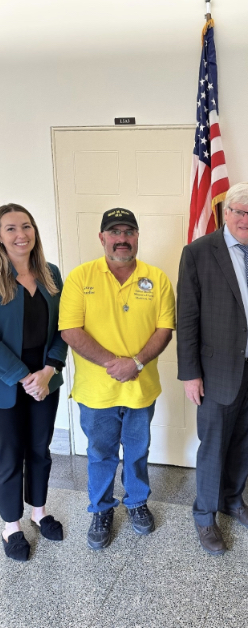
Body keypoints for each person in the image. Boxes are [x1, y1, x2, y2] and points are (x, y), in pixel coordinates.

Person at [177, 182, 248, 556]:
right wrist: (190, 373)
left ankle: (232, 500)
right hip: (217, 371)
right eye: (238, 211)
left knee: (244, 440)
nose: (245, 218)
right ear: (226, 213)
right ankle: (205, 516)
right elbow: (187, 318)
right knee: (214, 446)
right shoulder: (199, 252)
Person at [59, 208, 175, 550]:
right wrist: (116, 364)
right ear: (102, 238)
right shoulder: (81, 277)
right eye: (114, 232)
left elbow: (165, 329)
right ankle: (101, 509)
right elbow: (70, 330)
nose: (122, 238)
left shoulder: (157, 278)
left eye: (129, 232)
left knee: (138, 452)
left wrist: (136, 363)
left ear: (137, 237)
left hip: (141, 389)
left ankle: (137, 503)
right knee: (100, 453)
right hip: (96, 393)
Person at [0, 204, 67, 562]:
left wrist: (48, 371)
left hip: (44, 380)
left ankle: (38, 511)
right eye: (10, 228)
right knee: (9, 455)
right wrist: (22, 376)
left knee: (40, 449)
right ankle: (11, 525)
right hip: (6, 383)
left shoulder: (51, 274)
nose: (20, 234)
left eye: (26, 226)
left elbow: (65, 327)